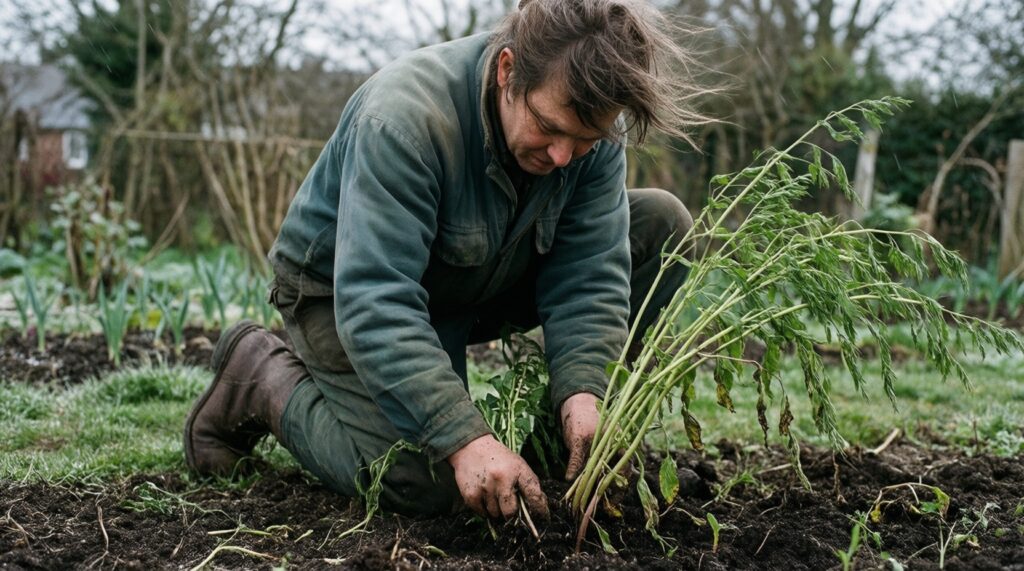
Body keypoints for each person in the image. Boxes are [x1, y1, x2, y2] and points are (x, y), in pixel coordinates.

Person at [183, 0, 705, 520]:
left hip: (474, 277)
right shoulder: (404, 120)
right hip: (341, 294)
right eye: (549, 127)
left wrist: (586, 388)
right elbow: (376, 301)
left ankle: (563, 441)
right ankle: (260, 376)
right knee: (426, 483)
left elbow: (589, 271)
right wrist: (464, 437)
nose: (563, 156)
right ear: (507, 71)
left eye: (584, 140)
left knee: (662, 225)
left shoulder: (590, 133)